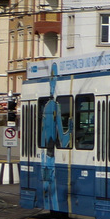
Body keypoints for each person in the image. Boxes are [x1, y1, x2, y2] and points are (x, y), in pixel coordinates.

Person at [39, 64, 70, 211]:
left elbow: (44, 134)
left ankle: (49, 206)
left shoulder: (46, 107)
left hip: (45, 155)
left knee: (49, 192)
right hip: (52, 156)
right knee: (55, 196)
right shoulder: (55, 106)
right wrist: (70, 129)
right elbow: (63, 141)